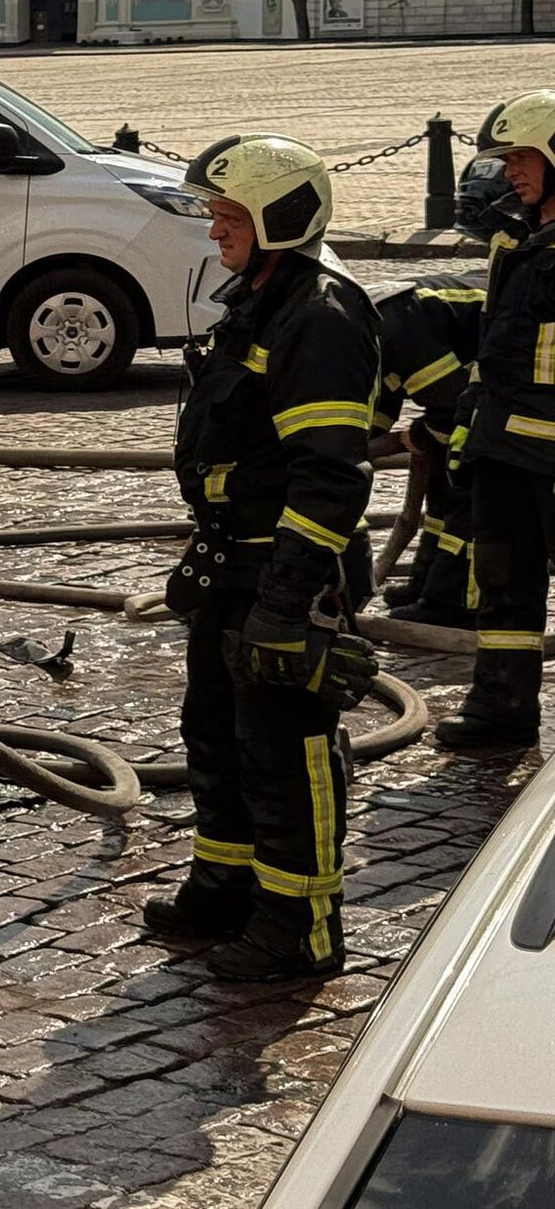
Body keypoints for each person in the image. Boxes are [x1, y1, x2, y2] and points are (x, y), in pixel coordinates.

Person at [143, 133, 380, 982]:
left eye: (231, 216)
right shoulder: (261, 300)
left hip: (288, 572)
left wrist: (286, 602)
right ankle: (226, 886)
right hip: (233, 562)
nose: (215, 233)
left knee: (288, 750)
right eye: (214, 214)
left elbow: (329, 478)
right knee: (215, 731)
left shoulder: (321, 317)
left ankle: (300, 928)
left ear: (283, 219)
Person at [435, 90, 555, 748]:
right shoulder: (515, 236)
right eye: (508, 159)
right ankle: (501, 708)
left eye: (524, 157)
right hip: (505, 451)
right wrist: (469, 433)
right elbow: (496, 347)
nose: (512, 170)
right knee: (503, 583)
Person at [370, 273, 484, 629]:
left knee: (462, 482)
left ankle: (453, 602)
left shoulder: (398, 332)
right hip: (478, 384)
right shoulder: (367, 337)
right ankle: (427, 583)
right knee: (440, 475)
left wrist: (413, 438)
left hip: (503, 392)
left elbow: (452, 408)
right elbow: (379, 404)